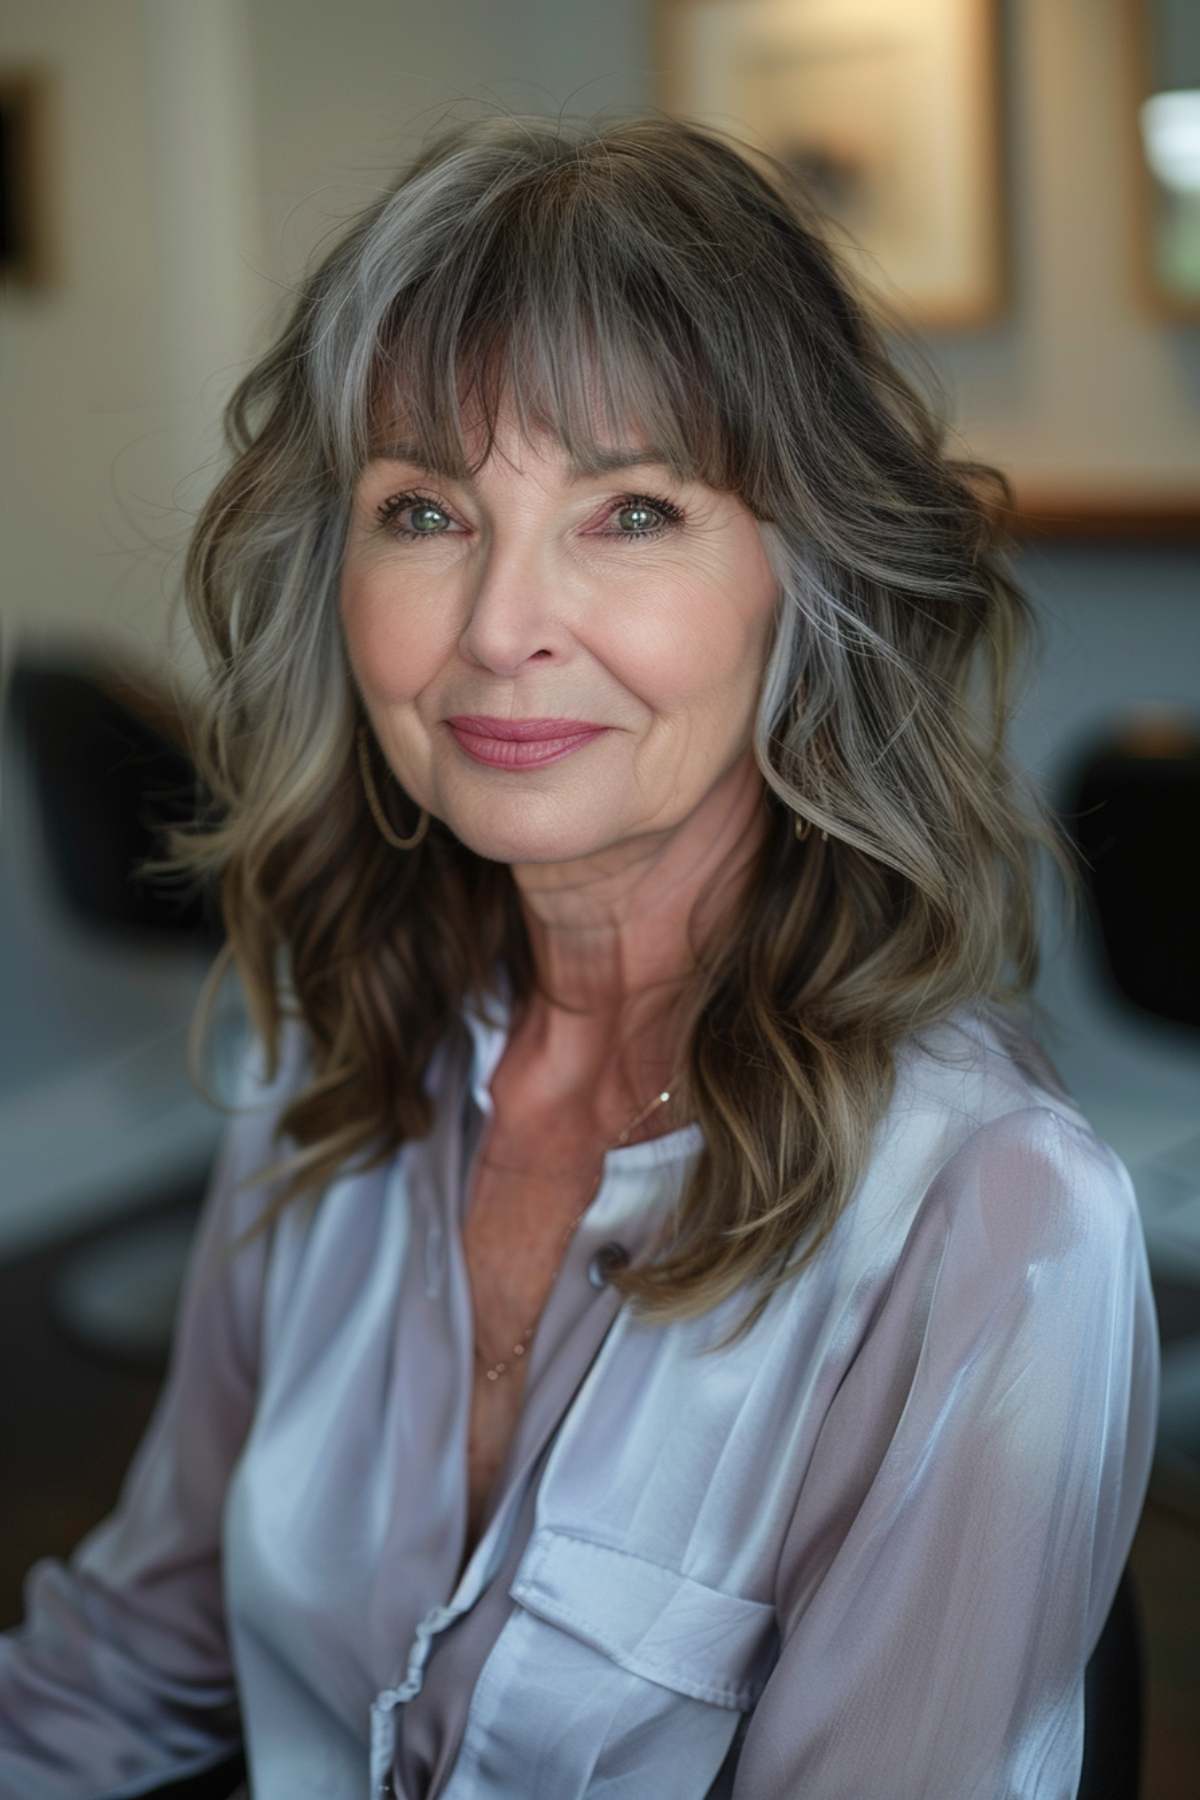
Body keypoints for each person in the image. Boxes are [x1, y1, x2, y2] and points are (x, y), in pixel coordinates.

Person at [0, 110, 1160, 1799]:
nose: (495, 626)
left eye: (629, 512)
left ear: (805, 576)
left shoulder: (997, 1222)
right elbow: (130, 1665)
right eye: (423, 511)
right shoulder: (326, 1064)